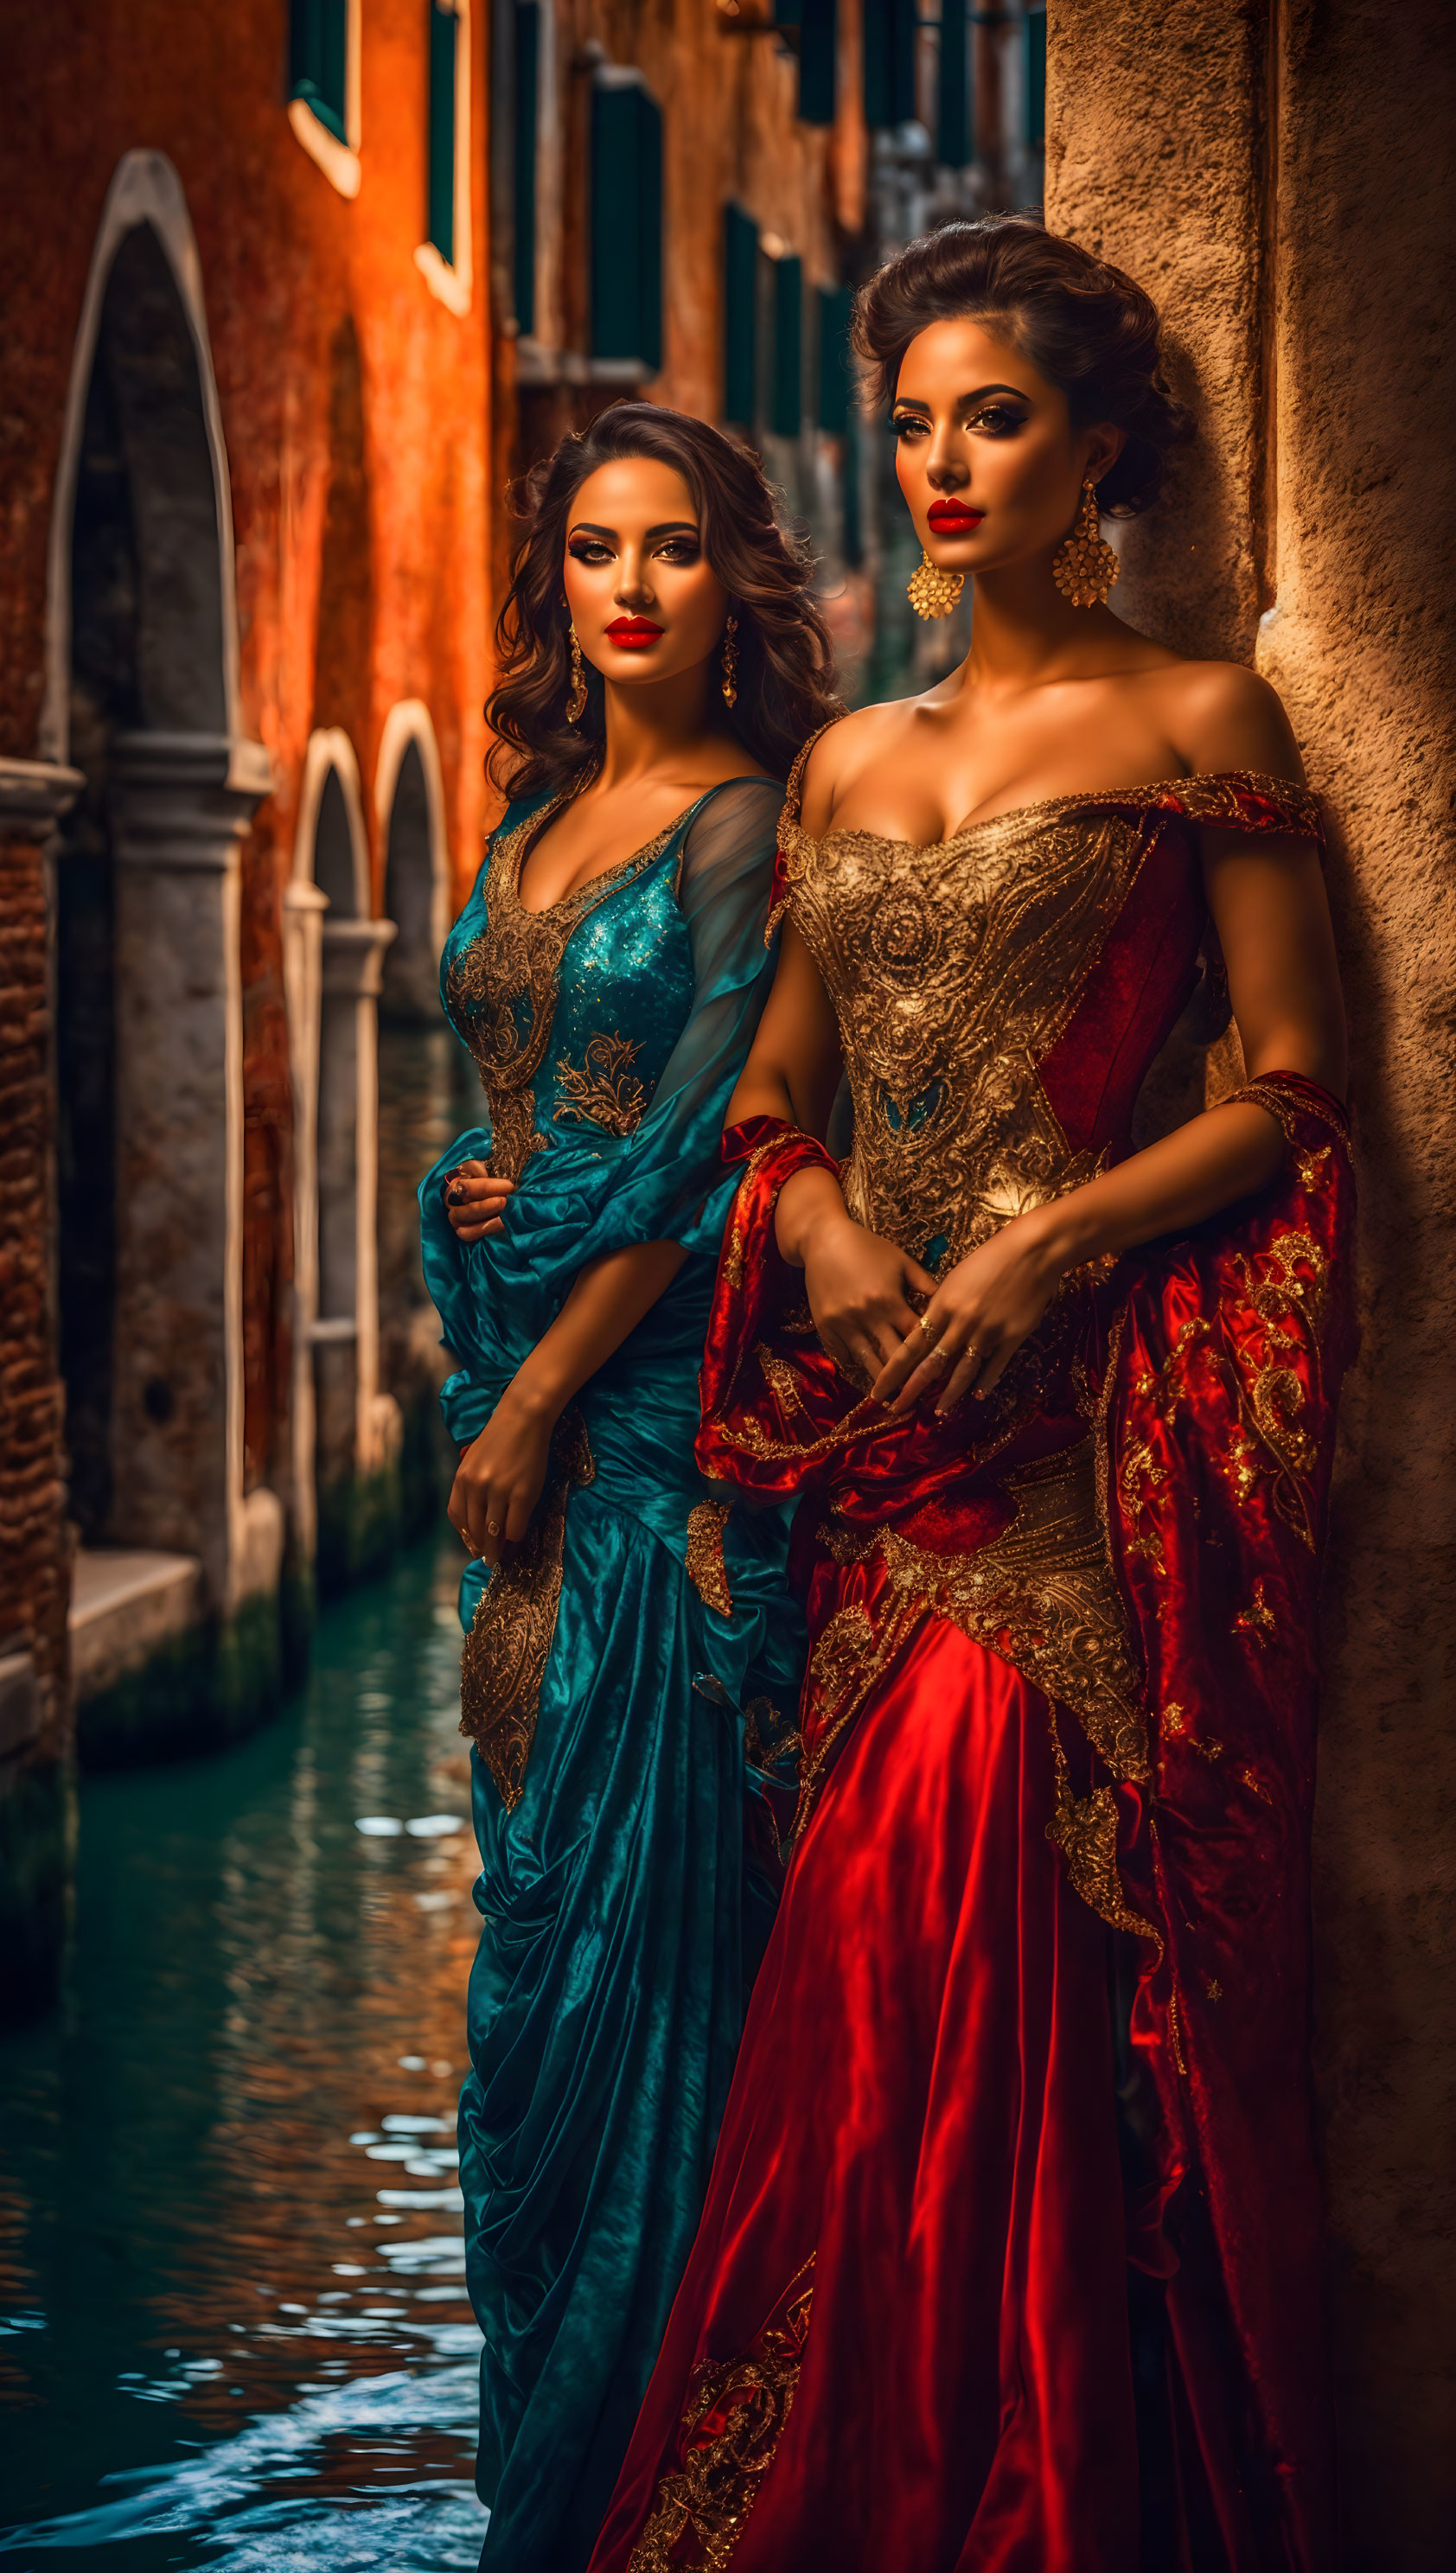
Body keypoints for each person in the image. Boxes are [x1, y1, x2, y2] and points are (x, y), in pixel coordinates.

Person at [589, 221, 1355, 2573]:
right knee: (862, 1970)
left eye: (988, 417)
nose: (936, 462)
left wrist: (1055, 1239)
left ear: (1091, 449)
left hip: (1060, 1445)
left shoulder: (1196, 716)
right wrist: (809, 1220)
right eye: (910, 418)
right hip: (869, 1455)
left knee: (990, 1936)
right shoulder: (834, 758)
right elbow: (775, 1093)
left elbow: (1292, 1095)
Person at [418, 402, 837, 2572]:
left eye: (672, 548)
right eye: (595, 549)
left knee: (644, 1972)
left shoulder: (745, 821)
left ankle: (663, 2501)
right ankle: (545, 2486)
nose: (633, 588)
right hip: (524, 1431)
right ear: (556, 580)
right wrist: (469, 1197)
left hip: (647, 1442)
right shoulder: (529, 817)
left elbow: (696, 1151)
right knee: (527, 1972)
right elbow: (502, 1101)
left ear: (726, 574)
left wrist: (532, 1398)